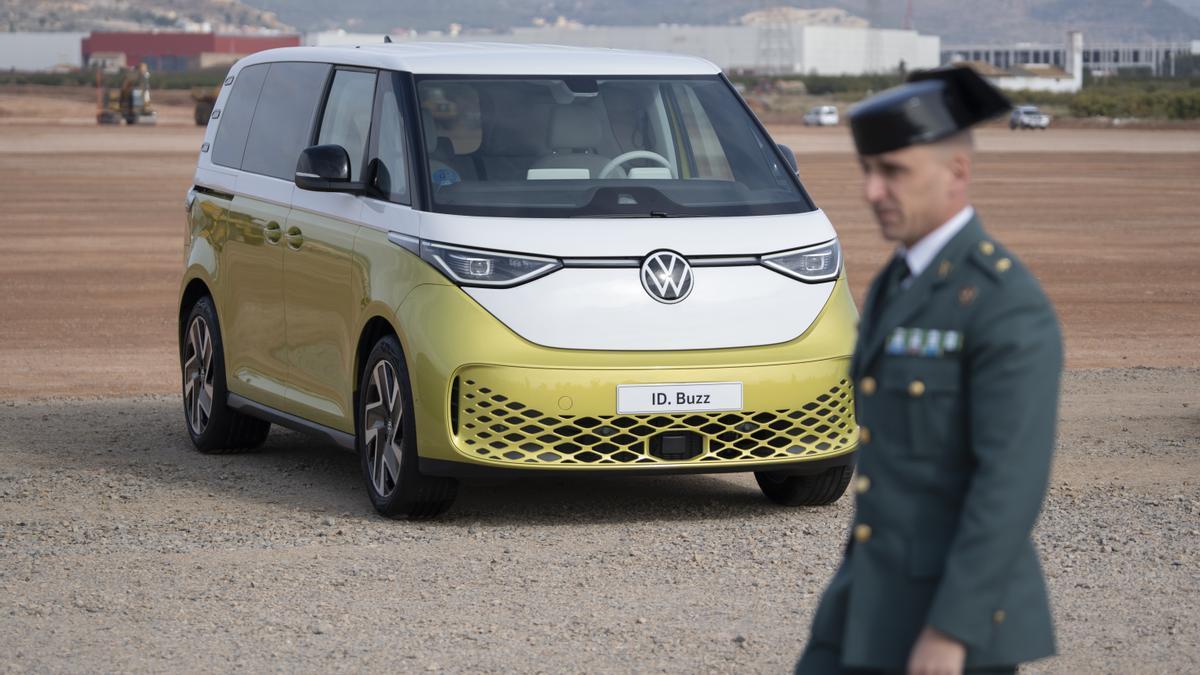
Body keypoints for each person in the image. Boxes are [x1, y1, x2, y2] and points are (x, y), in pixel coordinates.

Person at [795, 66, 1063, 674]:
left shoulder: (1002, 301)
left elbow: (1009, 487)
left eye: (893, 172)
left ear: (956, 174)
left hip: (954, 617)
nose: (871, 191)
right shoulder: (899, 280)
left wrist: (951, 631)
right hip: (869, 595)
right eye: (867, 170)